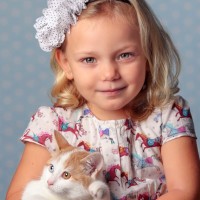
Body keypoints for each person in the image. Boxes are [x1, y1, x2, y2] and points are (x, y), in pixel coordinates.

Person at [6, 0, 200, 199]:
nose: (109, 74)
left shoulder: (168, 115)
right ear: (66, 63)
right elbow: (17, 195)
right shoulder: (51, 124)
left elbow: (185, 192)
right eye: (89, 59)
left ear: (148, 55)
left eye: (125, 55)